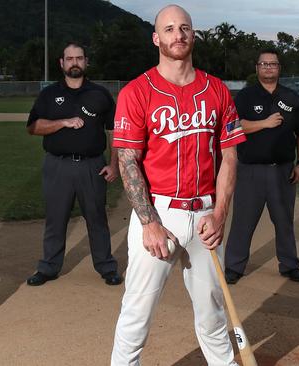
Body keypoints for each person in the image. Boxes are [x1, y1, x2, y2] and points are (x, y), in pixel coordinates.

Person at [110, 5, 246, 365]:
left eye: (184, 28)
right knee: (137, 314)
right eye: (168, 29)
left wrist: (219, 215)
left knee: (214, 315)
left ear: (193, 35)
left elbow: (229, 158)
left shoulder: (216, 90)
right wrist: (149, 222)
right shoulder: (138, 91)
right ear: (156, 38)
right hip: (159, 213)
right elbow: (127, 161)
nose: (178, 35)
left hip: (204, 214)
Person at [26, 42, 122, 286]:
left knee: (97, 217)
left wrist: (114, 164)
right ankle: (48, 267)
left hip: (93, 165)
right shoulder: (49, 94)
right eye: (69, 59)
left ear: (86, 62)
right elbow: (33, 127)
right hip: (57, 165)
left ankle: (106, 266)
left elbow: (113, 131)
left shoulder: (99, 94)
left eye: (79, 58)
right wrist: (63, 122)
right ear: (62, 63)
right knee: (55, 219)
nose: (74, 62)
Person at [224, 49, 299, 285]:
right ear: (257, 68)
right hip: (250, 170)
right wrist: (264, 123)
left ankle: (290, 265)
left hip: (282, 170)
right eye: (264, 64)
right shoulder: (246, 96)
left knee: (284, 220)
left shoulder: (292, 97)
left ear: (279, 68)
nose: (269, 67)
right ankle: (234, 266)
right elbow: (234, 126)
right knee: (243, 220)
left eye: (273, 64)